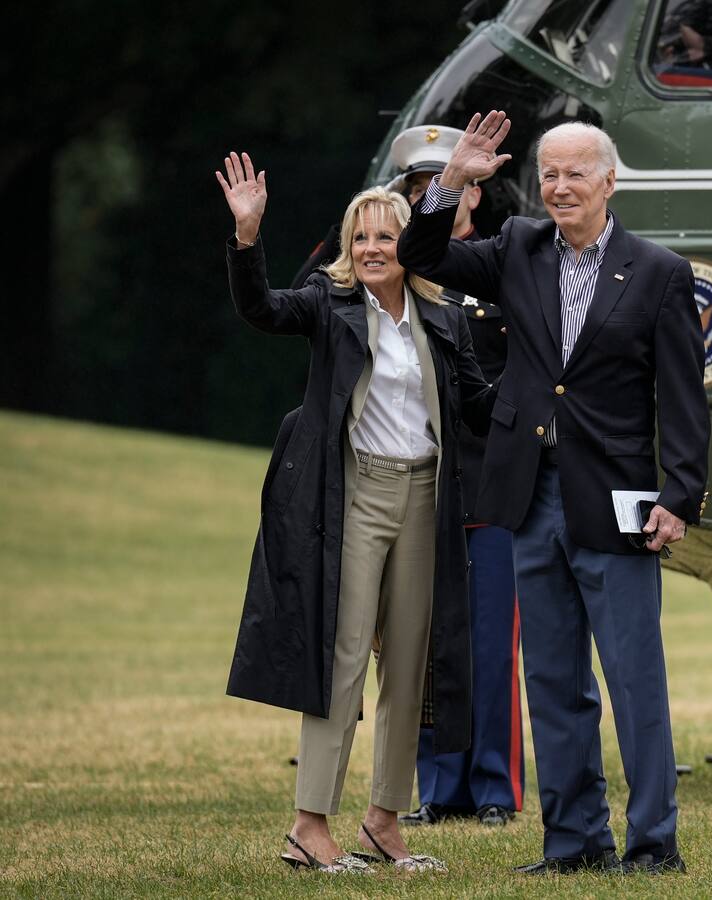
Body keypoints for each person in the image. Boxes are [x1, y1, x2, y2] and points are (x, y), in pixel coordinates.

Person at [396, 111, 710, 875]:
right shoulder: (516, 248)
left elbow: (683, 395)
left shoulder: (660, 271)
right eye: (549, 173)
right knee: (552, 680)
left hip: (618, 502)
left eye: (576, 173)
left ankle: (652, 845)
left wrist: (682, 492)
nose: (560, 186)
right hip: (529, 498)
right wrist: (451, 181)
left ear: (609, 181)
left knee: (635, 682)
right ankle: (572, 844)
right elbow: (417, 252)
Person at [216, 152, 494, 874]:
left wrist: (542, 378)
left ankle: (383, 822)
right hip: (354, 495)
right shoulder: (328, 303)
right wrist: (247, 237)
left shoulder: (443, 315)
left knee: (409, 664)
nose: (371, 249)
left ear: (410, 245)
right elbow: (262, 309)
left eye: (384, 237)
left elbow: (477, 406)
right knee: (341, 661)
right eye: (359, 237)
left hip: (426, 497)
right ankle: (310, 825)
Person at [387, 124, 526, 828]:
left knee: (491, 646)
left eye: (443, 188)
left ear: (474, 193)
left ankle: (495, 787)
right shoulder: (394, 281)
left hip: (487, 486)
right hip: (418, 482)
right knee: (424, 642)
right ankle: (439, 788)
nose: (429, 200)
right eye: (415, 192)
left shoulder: (500, 268)